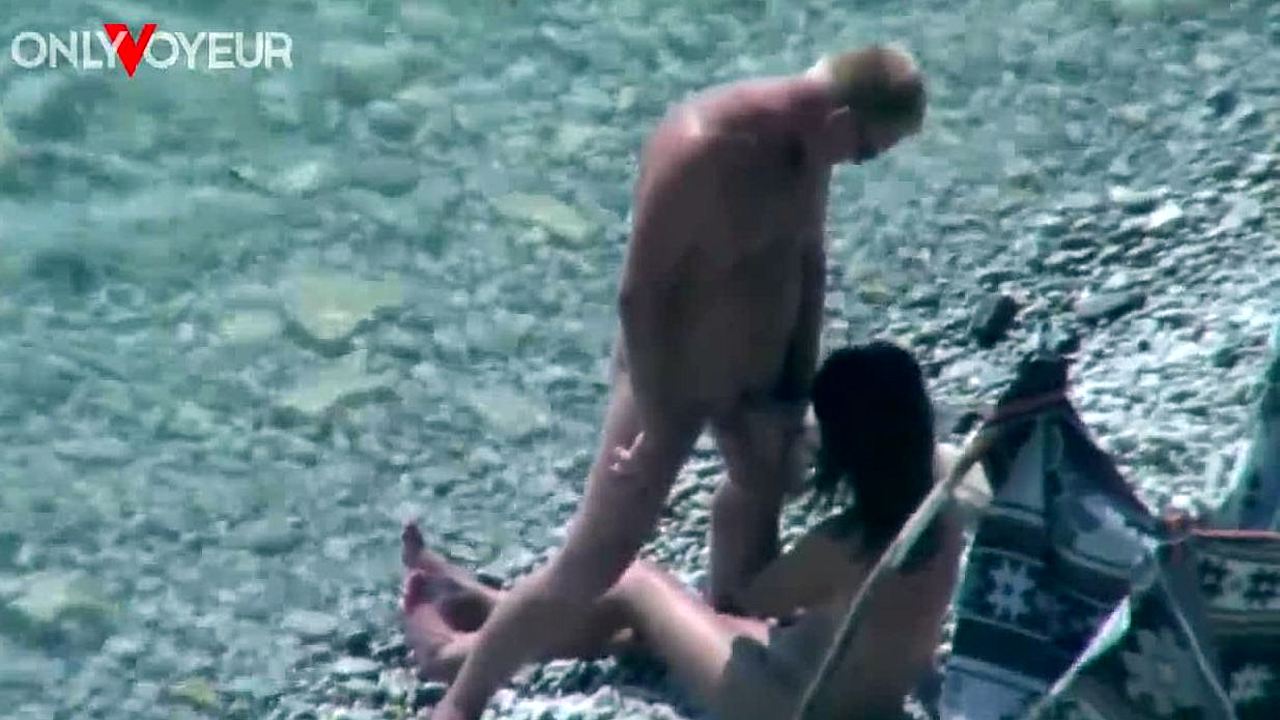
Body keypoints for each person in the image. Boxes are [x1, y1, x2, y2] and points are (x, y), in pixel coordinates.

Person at [431, 46, 929, 719]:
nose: (858, 164)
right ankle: (460, 699)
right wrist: (660, 422)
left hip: (759, 385)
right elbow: (640, 296)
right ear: (840, 121)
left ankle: (723, 633)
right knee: (594, 561)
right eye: (866, 152)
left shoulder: (808, 151)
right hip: (671, 384)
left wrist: (793, 394)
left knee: (760, 496)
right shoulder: (702, 147)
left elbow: (807, 264)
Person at [406, 342, 980, 720]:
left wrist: (752, 481)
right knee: (650, 629)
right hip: (847, 691)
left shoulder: (844, 544)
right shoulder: (941, 507)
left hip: (788, 705)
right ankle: (500, 610)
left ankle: (453, 656)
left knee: (635, 583)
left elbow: (741, 595)